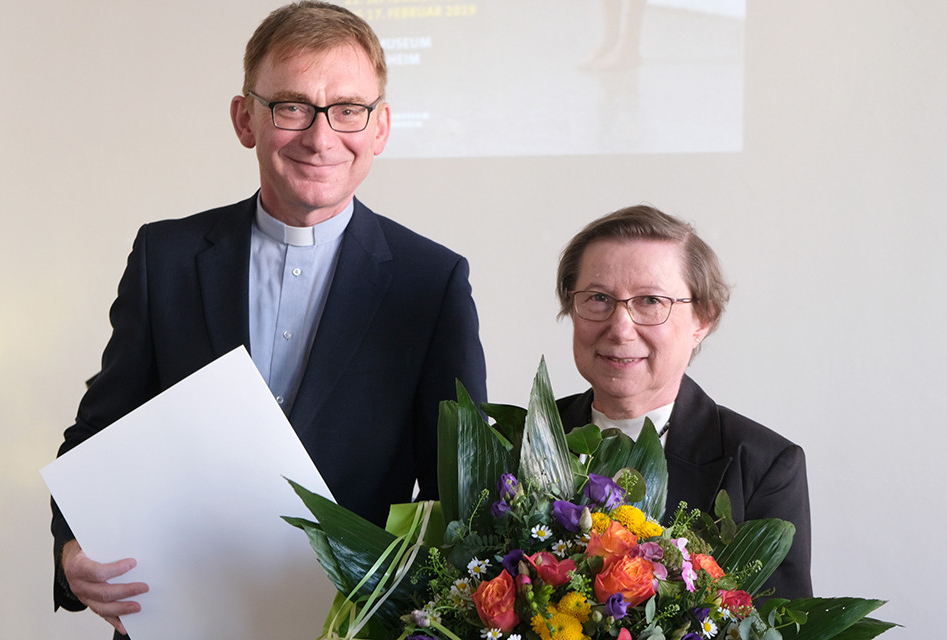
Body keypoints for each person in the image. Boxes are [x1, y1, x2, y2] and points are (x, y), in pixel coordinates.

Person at [49, 3, 486, 636]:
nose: (320, 137)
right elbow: (98, 434)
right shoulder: (165, 258)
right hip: (173, 618)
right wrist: (71, 551)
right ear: (244, 119)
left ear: (381, 127)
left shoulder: (432, 282)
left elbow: (459, 492)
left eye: (348, 109)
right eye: (291, 107)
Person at [554, 205, 812, 599]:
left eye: (651, 301)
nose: (620, 328)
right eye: (599, 298)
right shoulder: (521, 440)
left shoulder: (763, 466)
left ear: (703, 320)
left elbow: (782, 622)